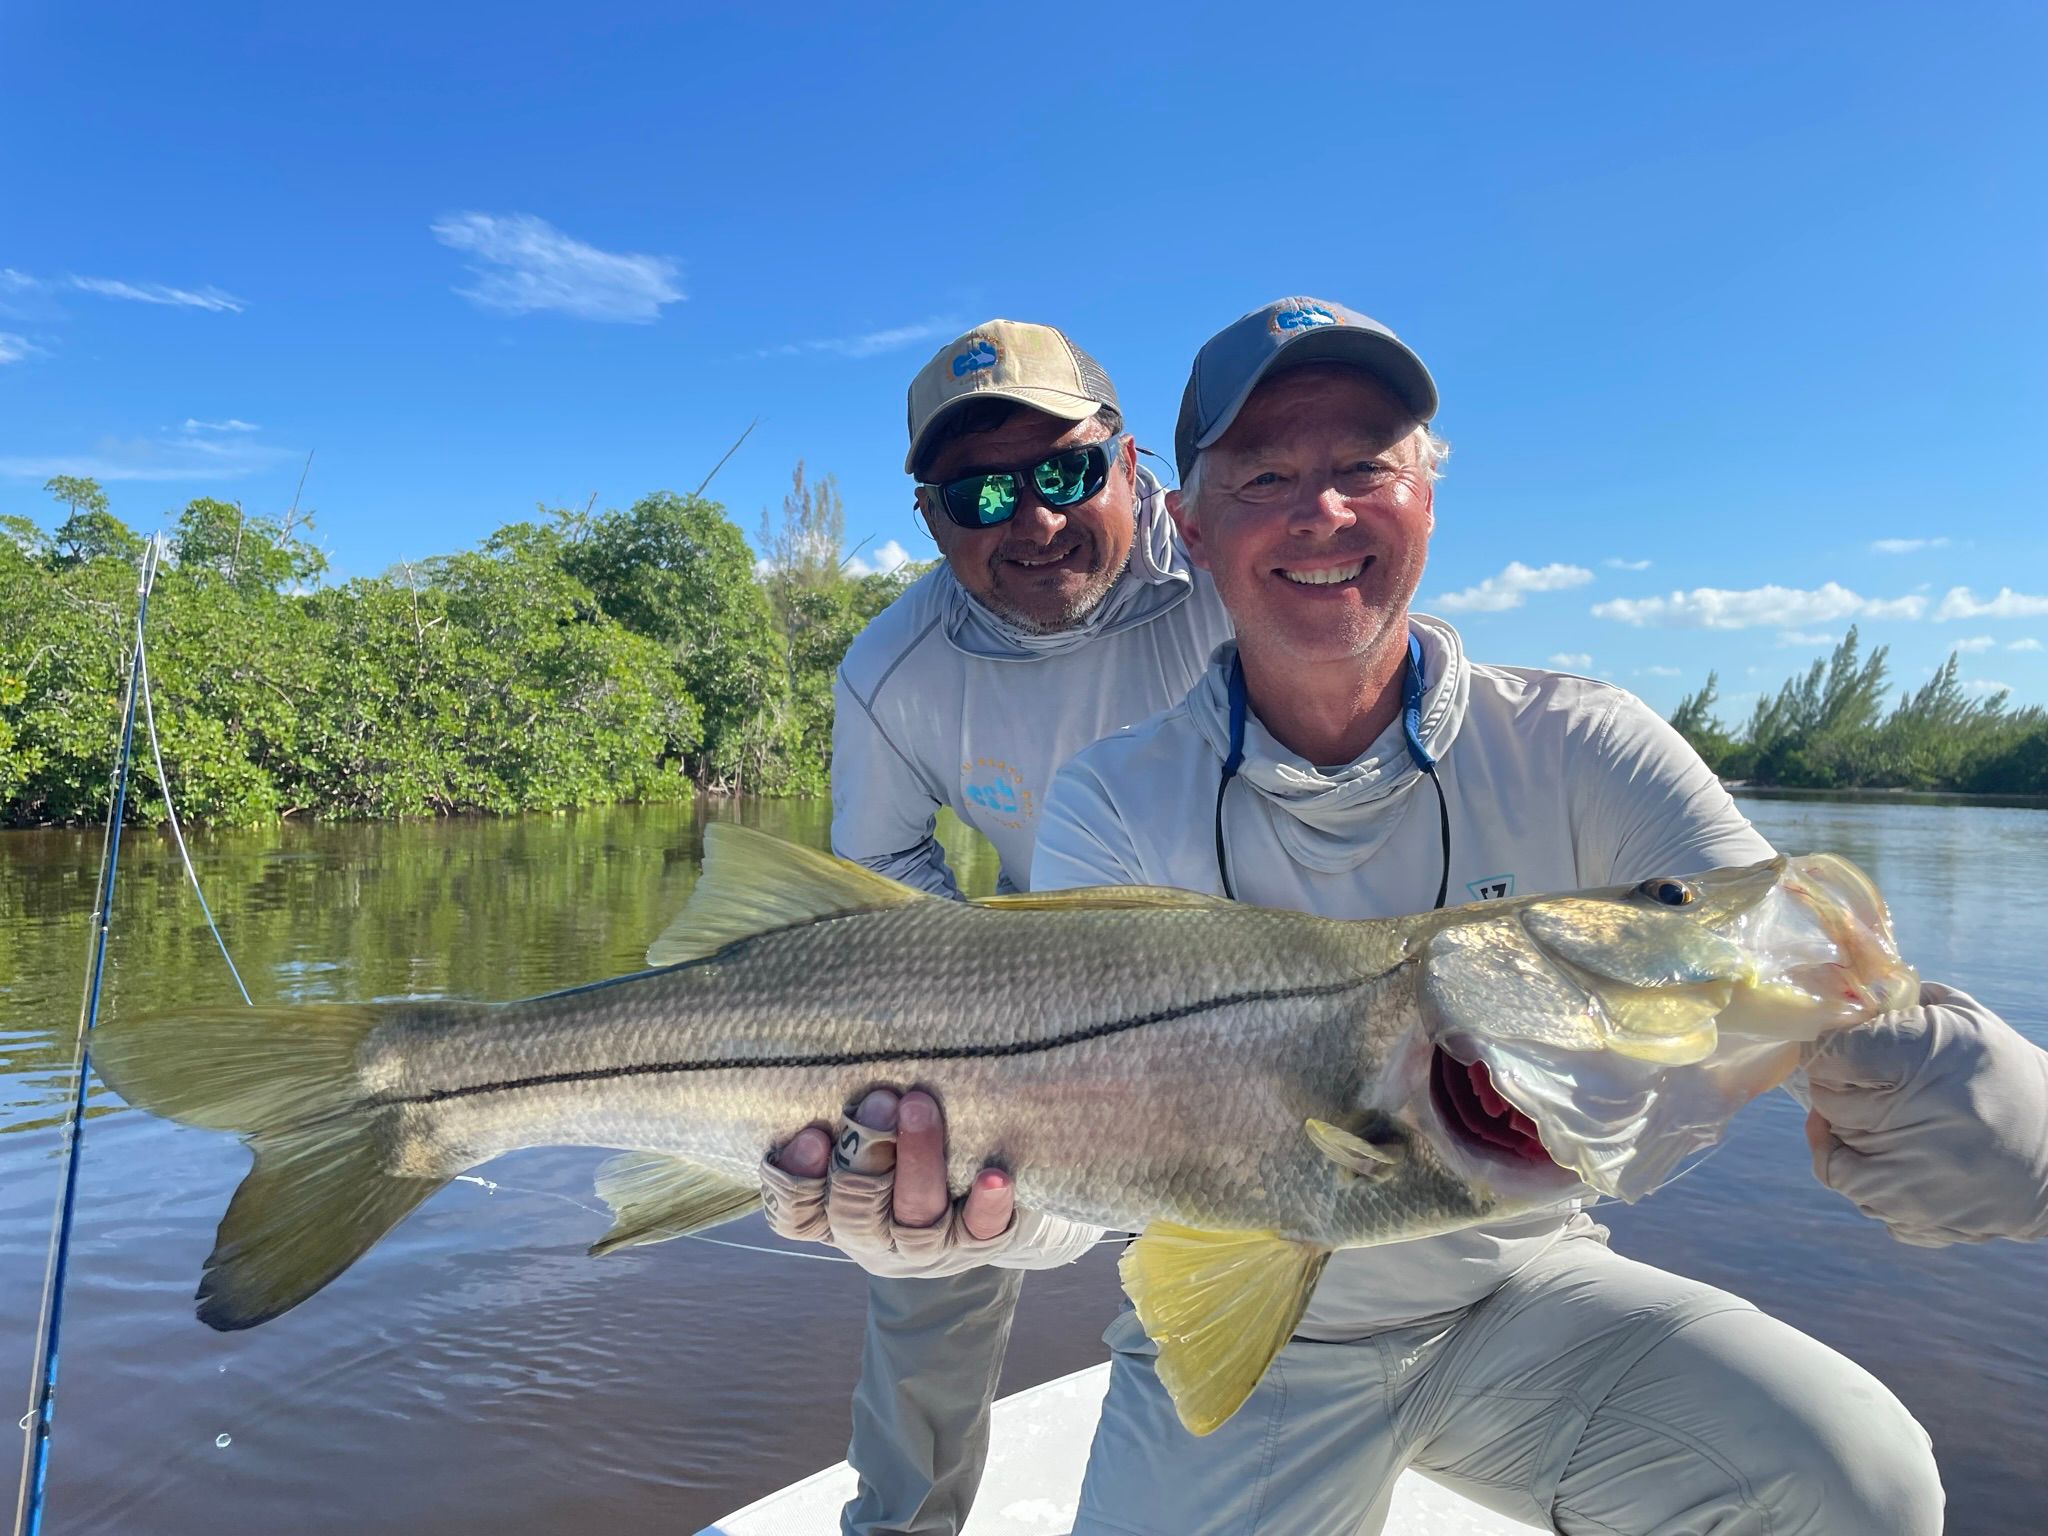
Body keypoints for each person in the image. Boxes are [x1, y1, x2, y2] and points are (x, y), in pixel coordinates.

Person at [765, 298, 2048, 1535]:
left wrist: (1934, 1075)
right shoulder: (1064, 766)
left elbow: (1775, 954)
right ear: (1197, 528)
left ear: (1428, 492)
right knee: (920, 1265)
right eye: (1263, 478)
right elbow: (1048, 1099)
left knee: (1855, 1482)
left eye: (1365, 466)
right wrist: (928, 1159)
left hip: (1519, 1283)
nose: (1319, 512)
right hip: (1242, 1313)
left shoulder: (1583, 743)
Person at [773, 318, 1231, 1536]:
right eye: (976, 492)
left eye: (1064, 472)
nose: (1029, 521)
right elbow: (878, 870)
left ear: (1130, 465)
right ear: (927, 516)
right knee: (916, 1242)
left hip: (1244, 1000)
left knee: (1214, 1288)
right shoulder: (891, 667)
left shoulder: (1240, 576)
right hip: (1017, 981)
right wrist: (980, 1020)